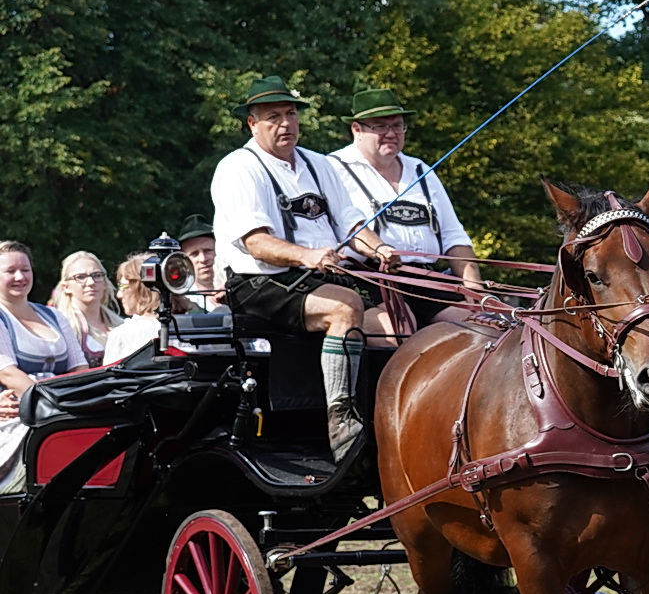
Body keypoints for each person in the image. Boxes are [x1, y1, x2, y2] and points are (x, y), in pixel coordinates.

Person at [210, 75, 400, 461]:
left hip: (318, 277)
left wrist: (379, 248)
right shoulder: (238, 168)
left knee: (399, 320)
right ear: (253, 124)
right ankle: (341, 422)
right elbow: (255, 242)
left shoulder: (319, 164)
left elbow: (351, 224)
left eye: (291, 114)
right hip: (258, 281)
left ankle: (391, 423)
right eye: (274, 117)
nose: (286, 123)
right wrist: (307, 255)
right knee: (344, 308)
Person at [329, 87, 482, 330]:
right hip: (367, 276)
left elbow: (453, 235)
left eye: (397, 126)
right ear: (356, 129)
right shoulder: (333, 168)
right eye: (380, 126)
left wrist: (473, 286)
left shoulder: (421, 170)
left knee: (483, 325)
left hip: (424, 278)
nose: (391, 133)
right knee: (398, 328)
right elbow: (345, 227)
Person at [0, 242, 89, 492]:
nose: (20, 277)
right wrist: (53, 405)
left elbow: (79, 368)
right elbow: (9, 374)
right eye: (10, 271)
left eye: (25, 269)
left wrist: (81, 402)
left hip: (63, 407)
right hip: (18, 414)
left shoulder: (54, 316)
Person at [104, 253, 191, 364]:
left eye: (123, 287)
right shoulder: (197, 329)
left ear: (141, 289)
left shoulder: (123, 335)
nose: (119, 295)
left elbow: (110, 379)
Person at [49, 251, 123, 365]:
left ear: (105, 283)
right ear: (66, 287)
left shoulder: (121, 325)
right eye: (80, 277)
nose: (91, 282)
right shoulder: (62, 327)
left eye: (97, 275)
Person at [176, 214, 225, 311]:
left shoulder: (238, 292)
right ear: (184, 260)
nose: (203, 259)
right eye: (194, 254)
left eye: (208, 251)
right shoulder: (180, 300)